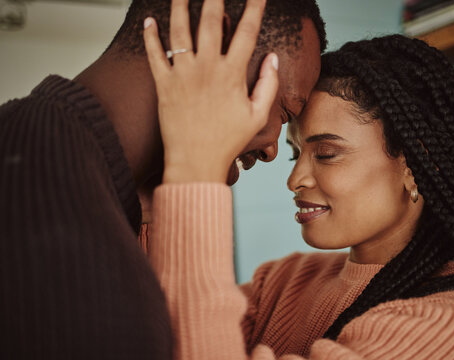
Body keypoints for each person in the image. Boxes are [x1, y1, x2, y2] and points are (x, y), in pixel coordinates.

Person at [142, 1, 454, 358]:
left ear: (416, 165)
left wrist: (195, 170)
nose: (294, 179)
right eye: (296, 154)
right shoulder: (282, 282)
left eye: (326, 154)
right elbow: (157, 333)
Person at [0, 0, 326, 358]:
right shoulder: (44, 202)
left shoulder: (83, 175)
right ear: (215, 42)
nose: (271, 151)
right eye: (283, 110)